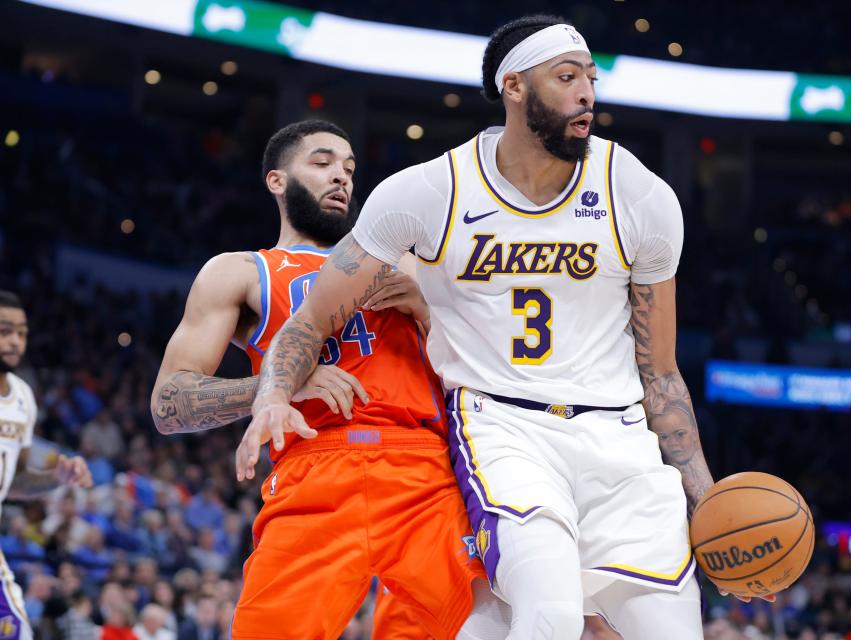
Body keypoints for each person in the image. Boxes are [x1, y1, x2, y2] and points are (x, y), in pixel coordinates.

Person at [245, 15, 778, 640]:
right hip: (503, 426)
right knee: (547, 613)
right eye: (567, 76)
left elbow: (659, 371)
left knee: (673, 631)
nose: (587, 93)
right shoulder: (428, 193)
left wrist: (706, 494)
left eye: (591, 78)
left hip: (621, 436)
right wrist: (272, 393)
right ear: (515, 87)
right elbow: (310, 321)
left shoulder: (640, 195)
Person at [150, 120, 488, 639]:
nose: (341, 178)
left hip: (423, 471)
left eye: (350, 169)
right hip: (315, 466)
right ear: (277, 180)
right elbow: (168, 402)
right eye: (323, 162)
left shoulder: (409, 265)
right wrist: (273, 388)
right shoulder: (240, 271)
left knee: (493, 624)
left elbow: (486, 368)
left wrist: (427, 312)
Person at [0, 290, 93, 640]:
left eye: (21, 333)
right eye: (4, 330)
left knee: (17, 631)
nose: (14, 341)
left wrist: (57, 476)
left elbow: (15, 483)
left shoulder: (22, 396)